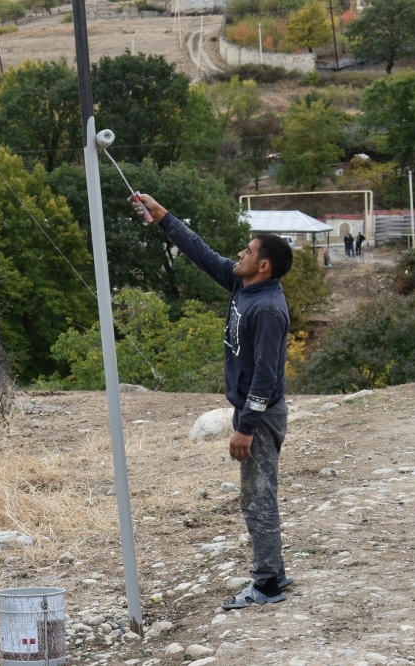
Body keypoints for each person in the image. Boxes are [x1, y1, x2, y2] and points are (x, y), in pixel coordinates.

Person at [131, 193, 294, 609]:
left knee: (258, 497)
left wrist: (246, 427)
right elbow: (200, 253)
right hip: (250, 412)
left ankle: (267, 585)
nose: (239, 254)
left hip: (260, 416)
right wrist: (163, 215)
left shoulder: (268, 308)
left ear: (263, 265)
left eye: (248, 251)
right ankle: (274, 572)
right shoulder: (243, 284)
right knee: (258, 495)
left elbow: (266, 376)